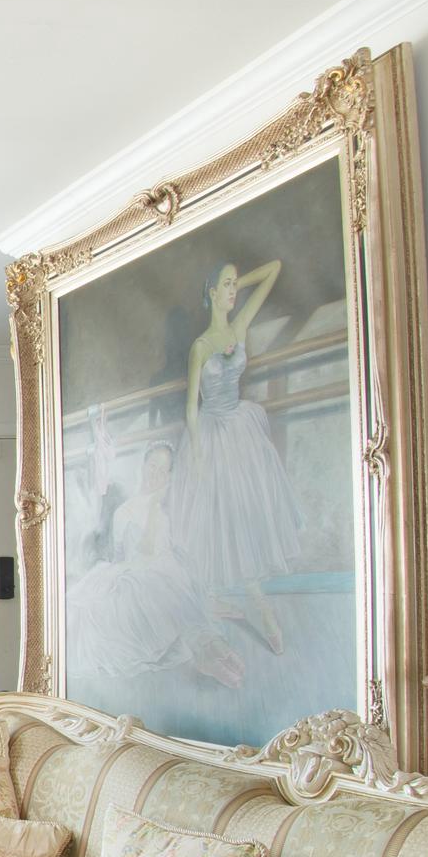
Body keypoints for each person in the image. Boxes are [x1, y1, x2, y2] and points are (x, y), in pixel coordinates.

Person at [167, 259, 302, 654]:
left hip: (241, 429)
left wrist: (235, 279)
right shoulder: (200, 346)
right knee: (220, 523)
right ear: (211, 293)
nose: (233, 291)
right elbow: (191, 407)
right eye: (225, 286)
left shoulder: (239, 325)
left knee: (245, 520)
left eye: (234, 285)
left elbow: (276, 268)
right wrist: (198, 454)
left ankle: (254, 610)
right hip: (211, 434)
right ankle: (252, 610)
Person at [70, 443, 245, 688]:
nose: (156, 474)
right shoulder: (126, 510)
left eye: (163, 470)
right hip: (138, 571)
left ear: (169, 476)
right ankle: (208, 658)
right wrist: (152, 509)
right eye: (152, 466)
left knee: (181, 597)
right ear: (143, 466)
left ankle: (215, 650)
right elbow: (136, 553)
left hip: (165, 570)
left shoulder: (167, 510)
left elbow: (171, 548)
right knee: (157, 596)